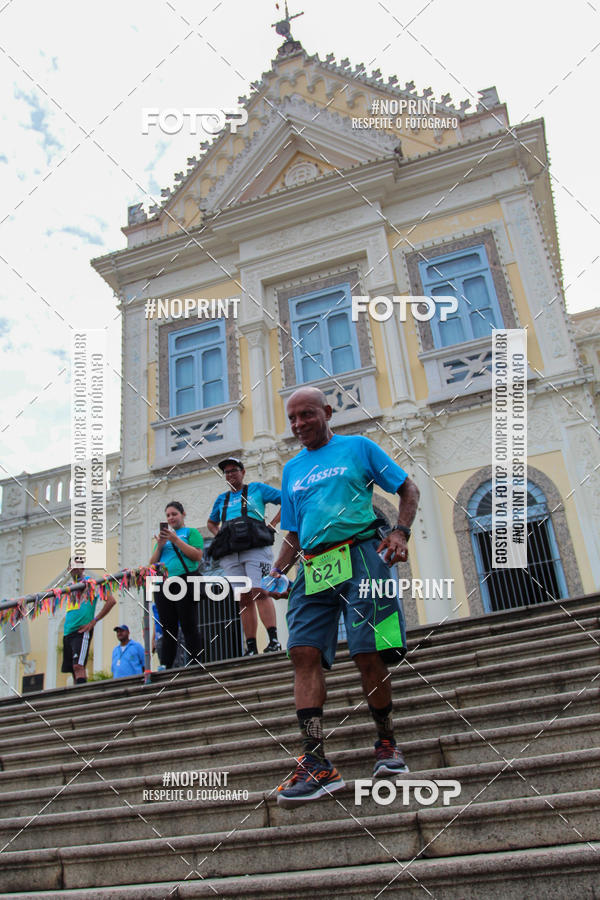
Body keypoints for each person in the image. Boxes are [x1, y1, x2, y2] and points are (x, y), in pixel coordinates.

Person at [272, 387, 420, 808]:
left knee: (367, 651)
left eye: (307, 415)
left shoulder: (358, 448)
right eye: (293, 418)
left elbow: (408, 490)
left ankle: (387, 742)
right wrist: (276, 571)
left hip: (361, 552)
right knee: (302, 652)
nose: (300, 424)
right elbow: (295, 533)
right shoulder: (292, 470)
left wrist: (399, 532)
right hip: (314, 565)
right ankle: (317, 761)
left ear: (327, 412)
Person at [207, 457, 282, 655]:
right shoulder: (221, 500)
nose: (231, 474)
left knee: (260, 591)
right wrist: (221, 536)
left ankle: (273, 640)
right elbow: (211, 523)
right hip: (231, 554)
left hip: (256, 548)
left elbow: (286, 500)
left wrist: (272, 525)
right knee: (243, 598)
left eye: (234, 470)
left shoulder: (257, 489)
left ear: (243, 472)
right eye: (227, 472)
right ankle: (250, 646)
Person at [149, 501, 204, 668]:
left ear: (183, 514)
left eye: (174, 514)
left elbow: (197, 556)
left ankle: (196, 661)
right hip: (164, 583)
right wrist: (159, 546)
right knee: (168, 627)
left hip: (185, 580)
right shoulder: (163, 540)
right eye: (168, 515)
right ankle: (166, 664)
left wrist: (175, 539)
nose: (171, 518)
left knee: (188, 623)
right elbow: (151, 566)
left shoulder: (190, 532)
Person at [61, 559, 116, 684]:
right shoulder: (69, 588)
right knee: (72, 669)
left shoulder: (92, 583)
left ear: (83, 568)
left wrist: (94, 621)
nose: (75, 568)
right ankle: (76, 698)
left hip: (81, 630)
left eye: (77, 565)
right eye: (72, 566)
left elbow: (111, 601)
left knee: (78, 666)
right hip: (67, 631)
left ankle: (83, 696)